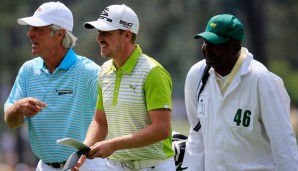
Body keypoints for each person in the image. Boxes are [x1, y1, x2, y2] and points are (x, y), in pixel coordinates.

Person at [183, 14, 298, 171]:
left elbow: (284, 144)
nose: (207, 49)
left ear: (235, 48)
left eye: (215, 44)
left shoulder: (262, 80)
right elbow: (197, 136)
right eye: (205, 42)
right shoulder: (196, 75)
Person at [3, 1, 106, 171]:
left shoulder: (90, 73)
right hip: (44, 166)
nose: (29, 34)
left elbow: (107, 122)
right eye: (30, 28)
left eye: (38, 29)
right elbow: (11, 121)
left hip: (87, 165)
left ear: (59, 34)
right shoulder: (28, 71)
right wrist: (18, 108)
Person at [74, 4, 175, 171]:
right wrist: (83, 150)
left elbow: (162, 129)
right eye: (99, 32)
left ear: (127, 35)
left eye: (106, 32)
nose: (99, 38)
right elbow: (100, 121)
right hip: (115, 166)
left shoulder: (153, 72)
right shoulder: (104, 71)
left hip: (153, 166)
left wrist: (114, 144)